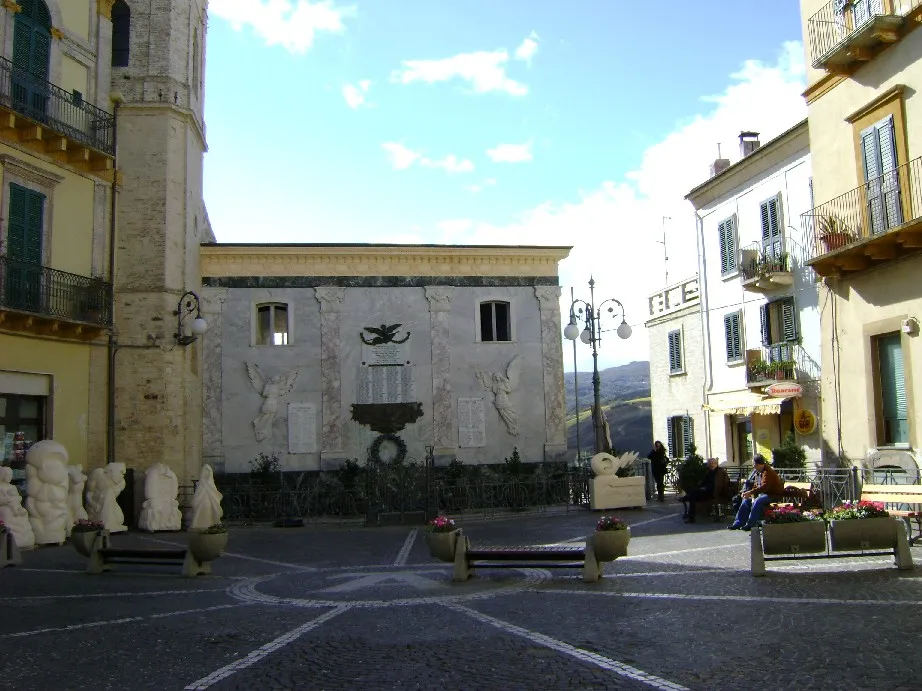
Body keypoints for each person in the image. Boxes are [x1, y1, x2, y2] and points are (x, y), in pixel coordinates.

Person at [728, 454, 784, 531]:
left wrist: (751, 492)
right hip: (764, 494)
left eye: (754, 464)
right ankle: (738, 523)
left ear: (758, 464)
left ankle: (750, 524)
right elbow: (756, 485)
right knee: (746, 500)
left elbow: (764, 487)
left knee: (758, 500)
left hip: (774, 495)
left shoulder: (767, 472)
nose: (753, 466)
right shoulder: (758, 472)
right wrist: (749, 493)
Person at [679, 457, 720, 523]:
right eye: (710, 464)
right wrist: (700, 487)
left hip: (712, 492)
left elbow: (717, 484)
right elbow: (704, 482)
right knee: (693, 495)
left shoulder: (719, 472)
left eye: (713, 463)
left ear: (716, 464)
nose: (711, 465)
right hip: (705, 491)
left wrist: (705, 488)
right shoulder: (709, 472)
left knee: (693, 494)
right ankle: (691, 517)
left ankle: (686, 499)